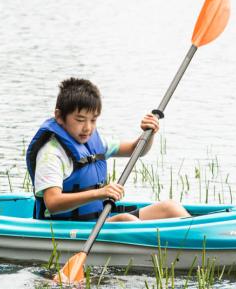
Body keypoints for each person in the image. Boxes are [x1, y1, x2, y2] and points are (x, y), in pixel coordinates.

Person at [25, 77, 190, 222]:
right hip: (67, 227)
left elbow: (135, 150)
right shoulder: (51, 153)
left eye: (93, 120)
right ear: (60, 117)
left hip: (99, 219)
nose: (88, 128)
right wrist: (99, 193)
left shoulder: (94, 142)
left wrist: (149, 133)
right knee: (126, 220)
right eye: (80, 120)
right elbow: (53, 203)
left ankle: (198, 243)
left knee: (170, 207)